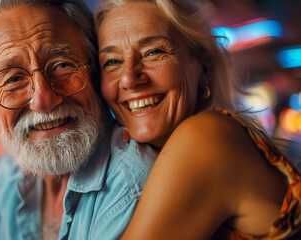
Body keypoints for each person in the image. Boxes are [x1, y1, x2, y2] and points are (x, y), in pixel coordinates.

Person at [0, 0, 159, 239]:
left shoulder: (131, 185)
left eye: (62, 65)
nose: (43, 99)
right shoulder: (16, 174)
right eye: (14, 79)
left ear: (95, 73)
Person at [94, 0, 301, 239]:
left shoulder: (205, 136)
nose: (129, 78)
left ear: (202, 67)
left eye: (154, 52)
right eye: (112, 62)